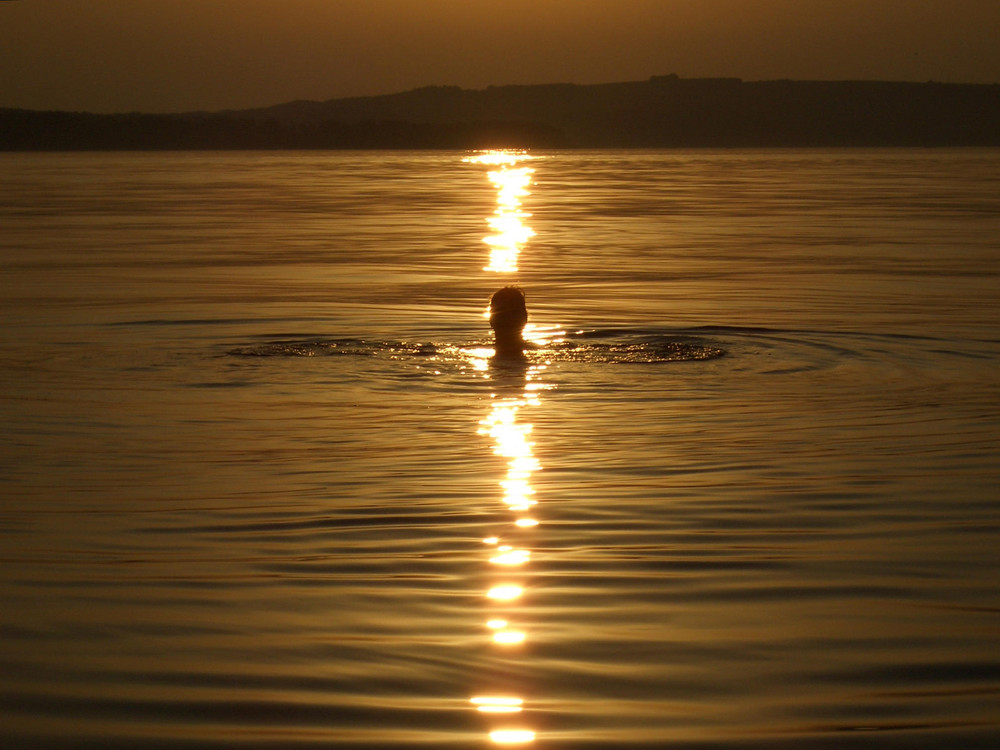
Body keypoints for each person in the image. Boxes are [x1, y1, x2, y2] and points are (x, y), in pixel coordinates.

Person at [489, 286, 532, 357]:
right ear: (525, 318)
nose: (506, 318)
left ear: (491, 320)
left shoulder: (473, 351)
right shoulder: (540, 351)